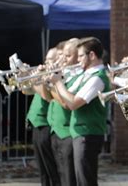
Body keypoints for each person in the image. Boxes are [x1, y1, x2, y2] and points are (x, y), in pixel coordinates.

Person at [50, 37, 110, 186]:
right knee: (80, 179)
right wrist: (55, 79)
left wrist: (57, 82)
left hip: (88, 134)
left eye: (81, 56)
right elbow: (65, 97)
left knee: (85, 180)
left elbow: (73, 103)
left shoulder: (98, 78)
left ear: (92, 55)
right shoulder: (86, 75)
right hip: (80, 133)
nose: (79, 60)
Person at [47, 38, 81, 186]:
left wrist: (52, 83)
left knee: (70, 178)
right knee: (61, 176)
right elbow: (48, 96)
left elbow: (65, 103)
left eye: (67, 56)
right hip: (57, 130)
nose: (63, 60)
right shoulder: (65, 73)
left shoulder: (77, 76)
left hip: (69, 131)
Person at [25, 47, 60, 186]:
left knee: (51, 169)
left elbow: (46, 96)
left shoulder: (55, 75)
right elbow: (25, 91)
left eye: (50, 59)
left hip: (46, 123)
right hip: (36, 122)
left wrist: (34, 79)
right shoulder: (45, 75)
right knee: (43, 170)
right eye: (46, 59)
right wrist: (26, 75)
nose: (45, 62)